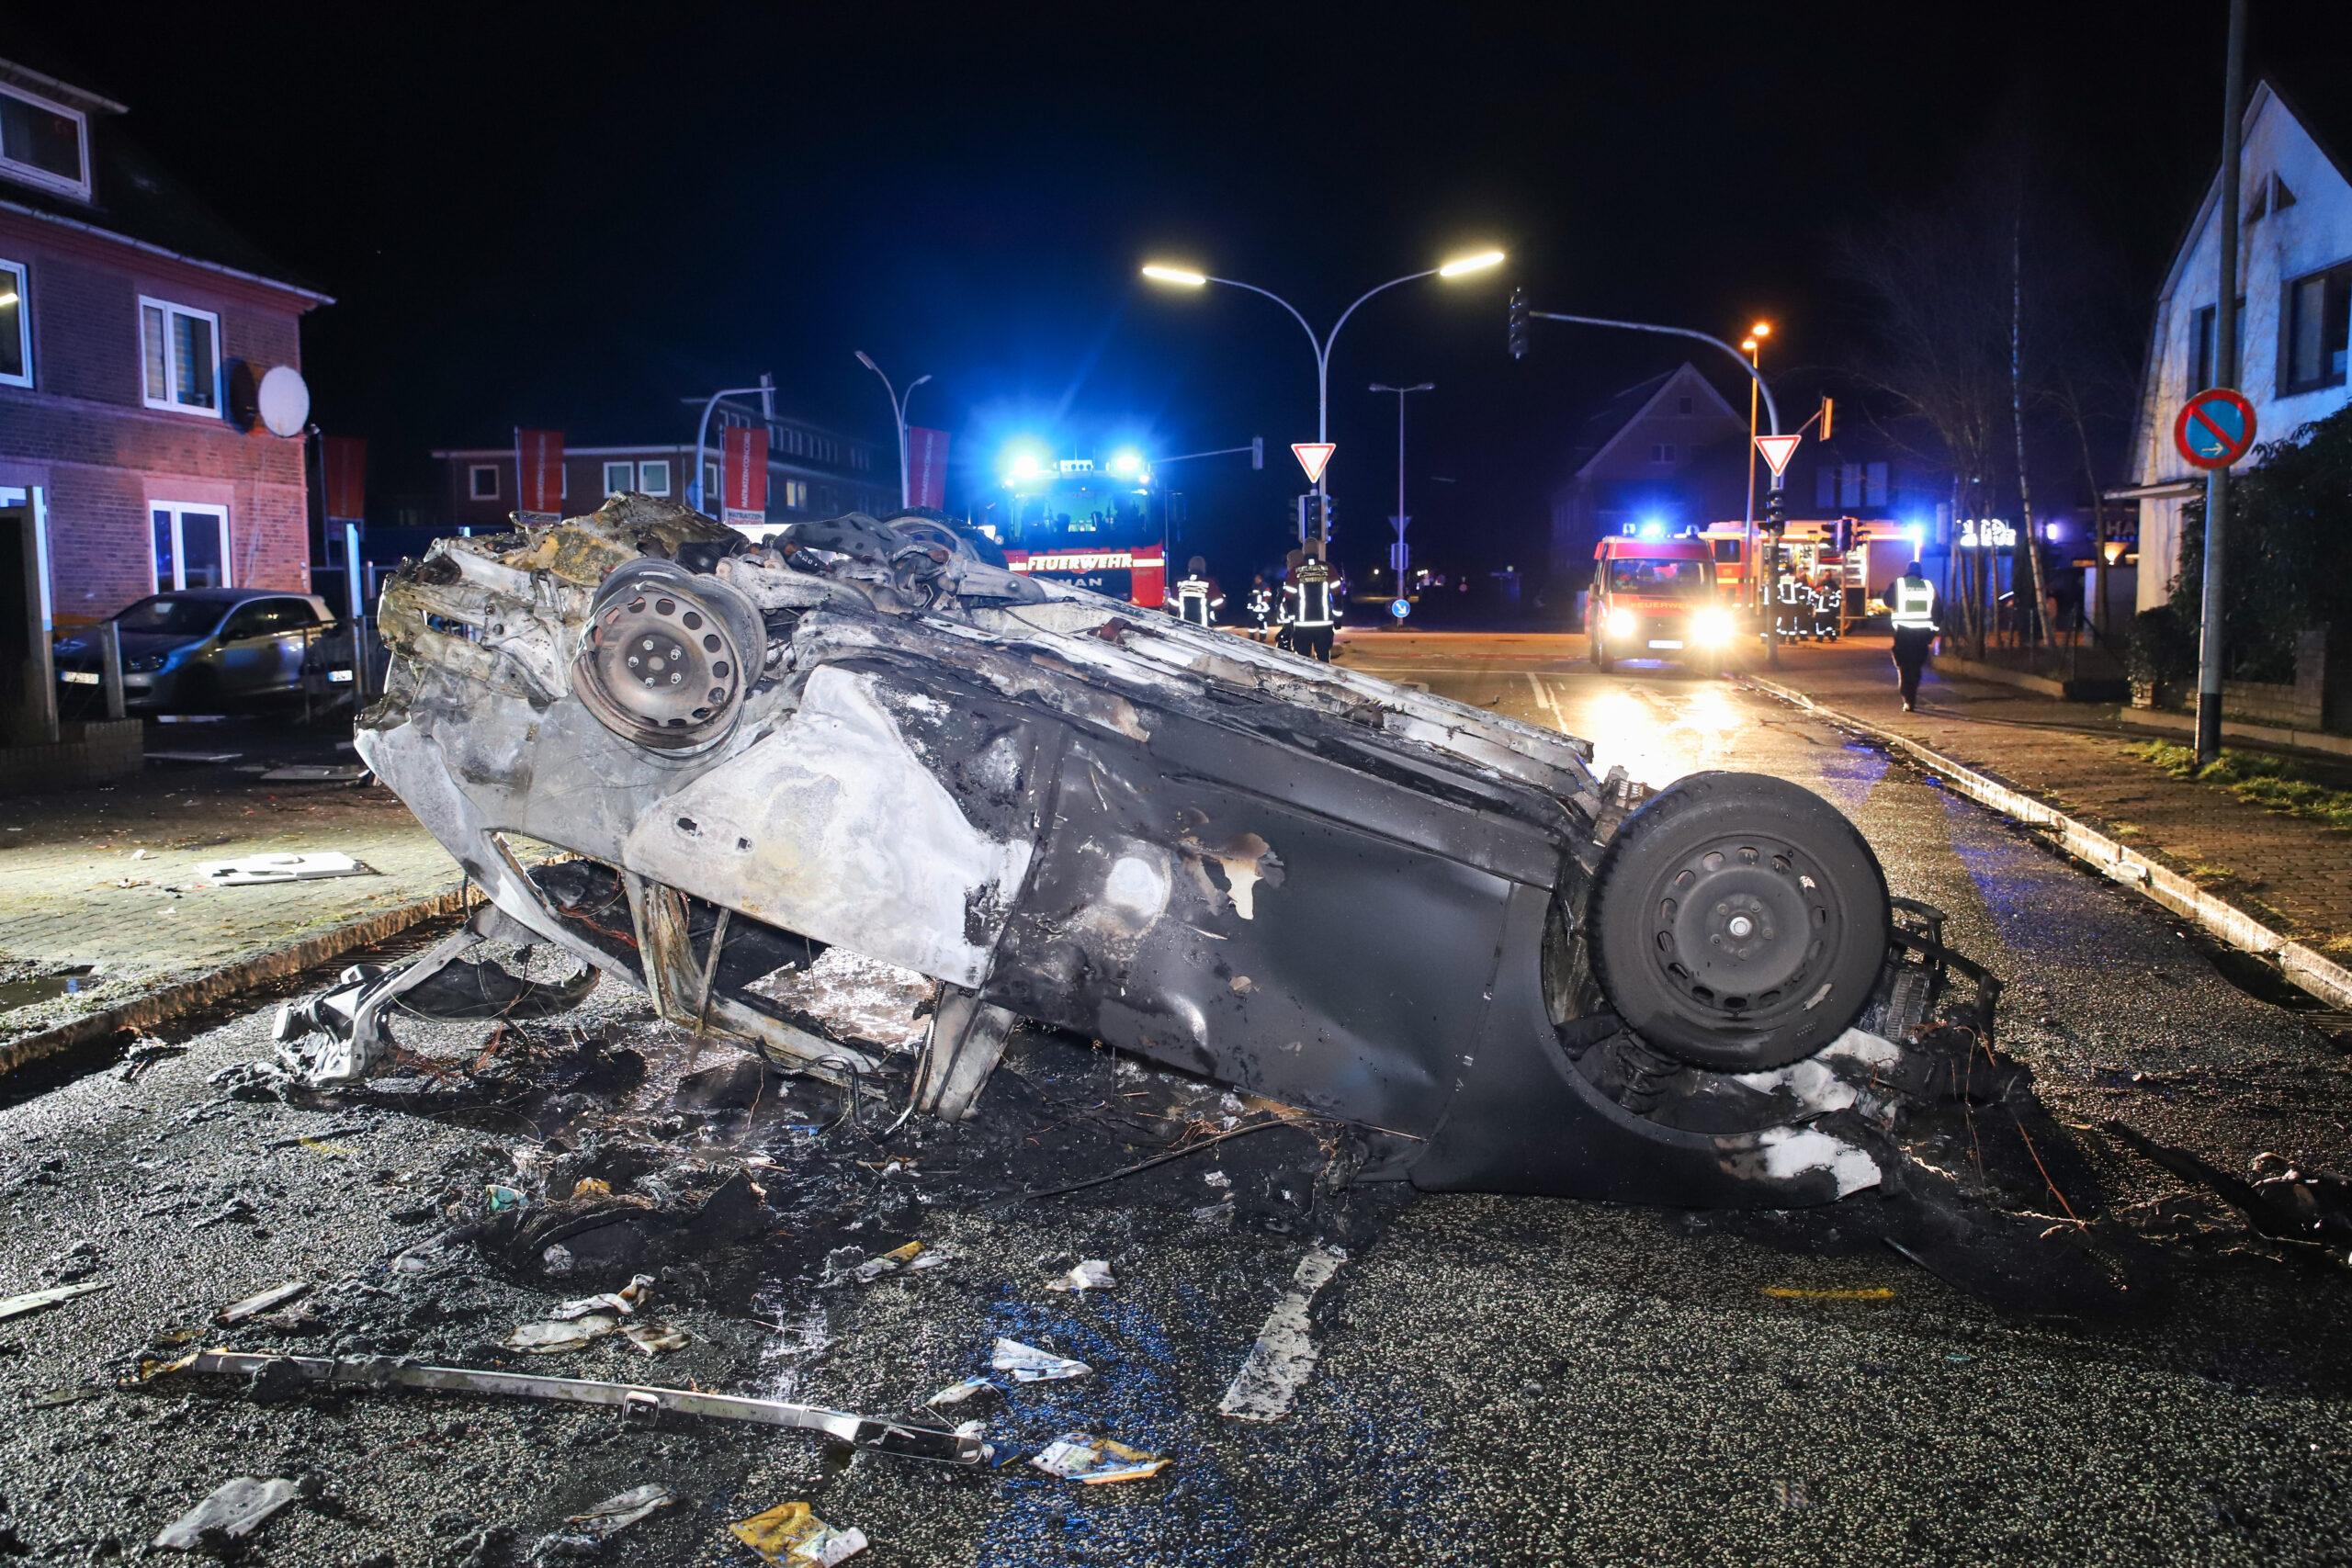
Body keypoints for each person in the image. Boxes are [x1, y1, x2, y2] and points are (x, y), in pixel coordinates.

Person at [1888, 560, 1938, 712]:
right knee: (1916, 668)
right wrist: (1932, 633)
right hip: (1922, 635)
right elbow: (1938, 611)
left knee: (1904, 667)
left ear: (1907, 571)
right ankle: (1912, 697)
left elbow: (1887, 601)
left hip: (1903, 633)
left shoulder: (1899, 585)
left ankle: (1907, 699)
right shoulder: (1929, 586)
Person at [1291, 544, 1339, 661]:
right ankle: (1323, 679)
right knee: (1323, 659)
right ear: (1317, 551)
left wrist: (1290, 622)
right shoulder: (1328, 568)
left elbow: (1289, 598)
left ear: (1304, 551)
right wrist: (1338, 618)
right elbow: (1337, 595)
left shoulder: (1296, 571)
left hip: (1302, 624)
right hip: (1324, 623)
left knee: (1302, 661)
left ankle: (1303, 680)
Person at [1170, 556, 1223, 628]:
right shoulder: (1209, 583)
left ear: (1189, 569)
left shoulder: (1179, 583)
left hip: (1183, 625)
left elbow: (1173, 603)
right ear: (1203, 569)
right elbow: (1219, 603)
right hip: (1204, 626)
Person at [1245, 575, 1273, 641]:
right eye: (1255, 579)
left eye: (1257, 579)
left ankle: (1262, 639)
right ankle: (1251, 638)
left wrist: (1262, 606)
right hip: (1254, 610)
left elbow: (1267, 598)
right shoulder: (1253, 586)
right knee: (1252, 624)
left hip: (1263, 610)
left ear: (1261, 579)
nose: (1256, 580)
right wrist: (1250, 605)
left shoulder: (1265, 587)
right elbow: (1250, 597)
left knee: (1262, 625)